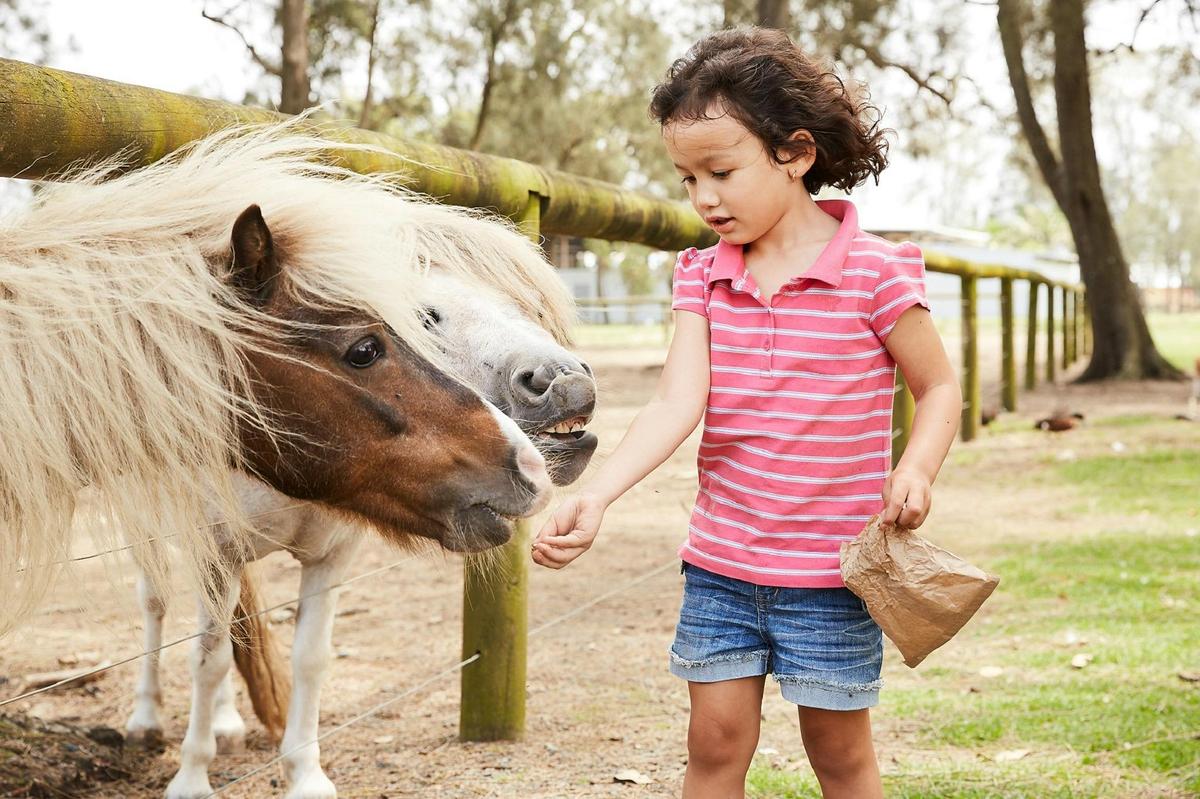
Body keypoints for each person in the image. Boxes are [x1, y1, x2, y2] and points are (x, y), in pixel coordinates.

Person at [532, 26, 962, 799]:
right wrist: (595, 495)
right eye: (686, 178)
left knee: (839, 755)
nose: (702, 199)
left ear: (795, 155)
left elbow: (938, 388)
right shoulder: (702, 276)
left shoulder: (874, 272)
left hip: (834, 576)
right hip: (722, 570)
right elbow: (675, 402)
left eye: (721, 172)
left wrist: (917, 468)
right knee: (714, 745)